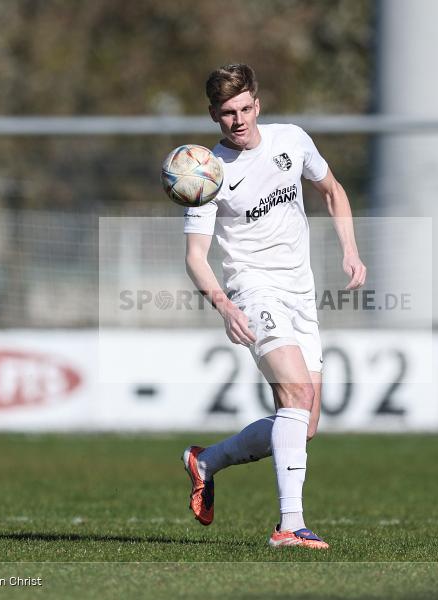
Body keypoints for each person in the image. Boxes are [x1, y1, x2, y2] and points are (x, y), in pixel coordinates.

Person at [182, 63, 366, 549]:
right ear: (214, 117)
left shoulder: (292, 140)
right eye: (227, 113)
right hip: (252, 289)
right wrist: (224, 304)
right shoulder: (207, 173)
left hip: (300, 293)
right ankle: (289, 525)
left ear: (257, 105)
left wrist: (350, 248)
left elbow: (333, 190)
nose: (238, 120)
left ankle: (206, 462)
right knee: (296, 395)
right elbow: (195, 257)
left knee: (304, 425)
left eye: (245, 108)